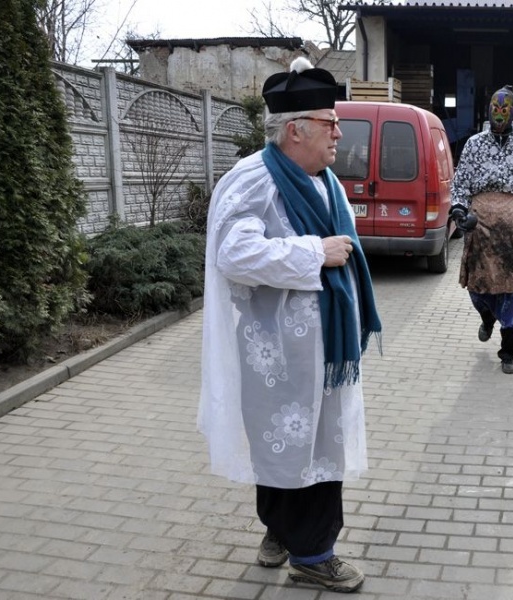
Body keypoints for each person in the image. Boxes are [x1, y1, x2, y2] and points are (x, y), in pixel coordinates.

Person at [198, 57, 381, 594]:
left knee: (309, 447)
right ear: (296, 128)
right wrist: (312, 253)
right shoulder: (253, 181)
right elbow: (234, 254)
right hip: (276, 347)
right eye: (330, 123)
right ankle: (313, 556)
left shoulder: (321, 179)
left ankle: (283, 533)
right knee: (285, 445)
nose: (339, 132)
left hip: (322, 345)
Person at [450, 85, 513, 374]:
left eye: (505, 108)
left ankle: (509, 351)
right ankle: (487, 317)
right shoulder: (473, 144)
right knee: (478, 285)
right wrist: (459, 209)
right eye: (495, 107)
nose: (499, 112)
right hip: (479, 223)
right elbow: (460, 184)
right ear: (488, 110)